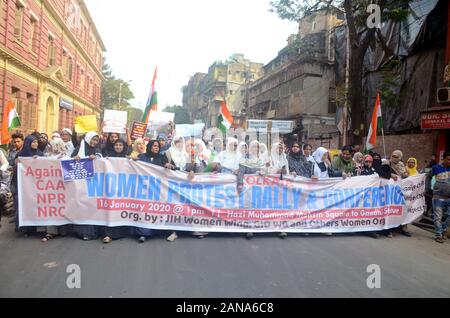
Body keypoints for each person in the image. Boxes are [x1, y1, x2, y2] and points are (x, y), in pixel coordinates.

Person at [136, 140, 175, 243]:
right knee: (145, 210)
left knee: (160, 210)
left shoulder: (162, 158)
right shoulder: (141, 157)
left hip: (159, 189)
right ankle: (143, 233)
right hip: (145, 189)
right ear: (149, 147)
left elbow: (173, 168)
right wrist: (132, 161)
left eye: (158, 146)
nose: (156, 148)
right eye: (154, 146)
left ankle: (167, 232)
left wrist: (169, 166)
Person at [71, 132, 102, 240]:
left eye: (96, 140)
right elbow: (69, 161)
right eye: (93, 139)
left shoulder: (97, 150)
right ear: (88, 139)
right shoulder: (78, 148)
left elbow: (102, 162)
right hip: (80, 183)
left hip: (93, 183)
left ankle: (92, 232)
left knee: (92, 206)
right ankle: (81, 232)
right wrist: (75, 158)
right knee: (82, 205)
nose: (94, 142)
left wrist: (96, 158)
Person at [101, 139, 132, 243]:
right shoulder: (107, 158)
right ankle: (108, 234)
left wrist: (133, 160)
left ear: (124, 147)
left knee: (120, 210)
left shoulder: (127, 158)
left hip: (123, 188)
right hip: (110, 187)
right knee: (110, 209)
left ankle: (119, 233)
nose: (118, 147)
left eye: (120, 145)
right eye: (116, 145)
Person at [12, 135, 44, 234]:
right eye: (33, 142)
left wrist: (38, 160)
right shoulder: (21, 154)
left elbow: (45, 167)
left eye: (36, 142)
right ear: (28, 143)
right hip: (23, 186)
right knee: (23, 205)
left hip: (36, 185)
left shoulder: (40, 154)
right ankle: (24, 228)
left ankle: (34, 227)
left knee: (34, 205)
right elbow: (16, 168)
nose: (35, 144)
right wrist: (23, 162)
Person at [237, 140, 267, 239]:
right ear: (250, 148)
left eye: (257, 147)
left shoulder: (261, 158)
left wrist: (263, 171)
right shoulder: (245, 157)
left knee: (258, 205)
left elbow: (267, 170)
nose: (256, 149)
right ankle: (249, 228)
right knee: (248, 205)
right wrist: (240, 184)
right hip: (248, 186)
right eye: (254, 147)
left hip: (259, 186)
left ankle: (257, 226)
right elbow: (241, 171)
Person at [430, 152, 450, 243]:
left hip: (448, 197)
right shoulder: (436, 168)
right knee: (438, 217)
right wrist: (428, 189)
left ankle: (443, 229)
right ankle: (438, 234)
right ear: (444, 159)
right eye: (449, 159)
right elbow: (427, 177)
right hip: (438, 197)